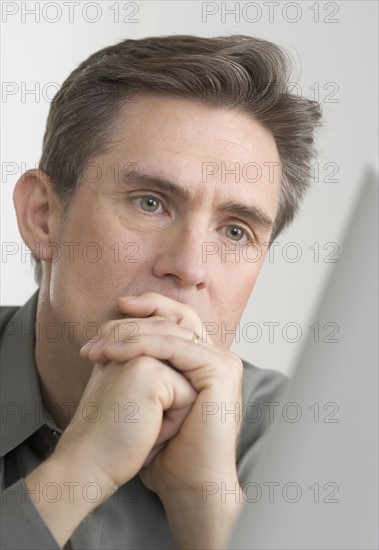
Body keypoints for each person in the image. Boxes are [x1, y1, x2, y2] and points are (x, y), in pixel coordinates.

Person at [0, 35, 321, 549]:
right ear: (43, 217)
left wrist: (205, 504)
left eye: (235, 231)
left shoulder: (306, 442)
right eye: (150, 203)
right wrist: (81, 469)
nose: (188, 267)